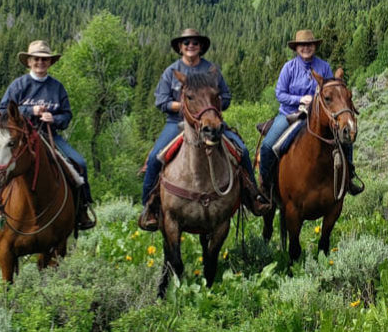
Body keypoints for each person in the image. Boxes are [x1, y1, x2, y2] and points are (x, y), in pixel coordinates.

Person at [139, 29, 270, 231]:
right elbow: (161, 101)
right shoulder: (171, 72)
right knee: (156, 157)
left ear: (200, 47)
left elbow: (225, 96)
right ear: (180, 47)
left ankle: (253, 196)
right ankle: (149, 206)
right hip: (178, 122)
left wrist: (212, 105)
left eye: (195, 43)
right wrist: (184, 106)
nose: (191, 46)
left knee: (242, 150)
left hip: (210, 120)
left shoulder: (211, 70)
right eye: (186, 43)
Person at [0, 40, 95, 239]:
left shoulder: (57, 88)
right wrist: (29, 110)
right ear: (29, 62)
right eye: (36, 59)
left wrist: (55, 118)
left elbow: (67, 116)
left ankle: (82, 210)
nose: (40, 63)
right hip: (19, 139)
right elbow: (3, 112)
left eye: (44, 59)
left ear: (50, 62)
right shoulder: (18, 85)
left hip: (48, 136)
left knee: (79, 163)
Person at [258, 30, 362, 198]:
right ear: (296, 48)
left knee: (347, 139)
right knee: (268, 145)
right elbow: (280, 94)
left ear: (315, 46)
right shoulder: (289, 68)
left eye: (309, 44)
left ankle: (349, 176)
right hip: (290, 114)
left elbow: (332, 93)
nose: (306, 48)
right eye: (302, 45)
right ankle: (265, 186)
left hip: (320, 117)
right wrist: (300, 99)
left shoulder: (324, 67)